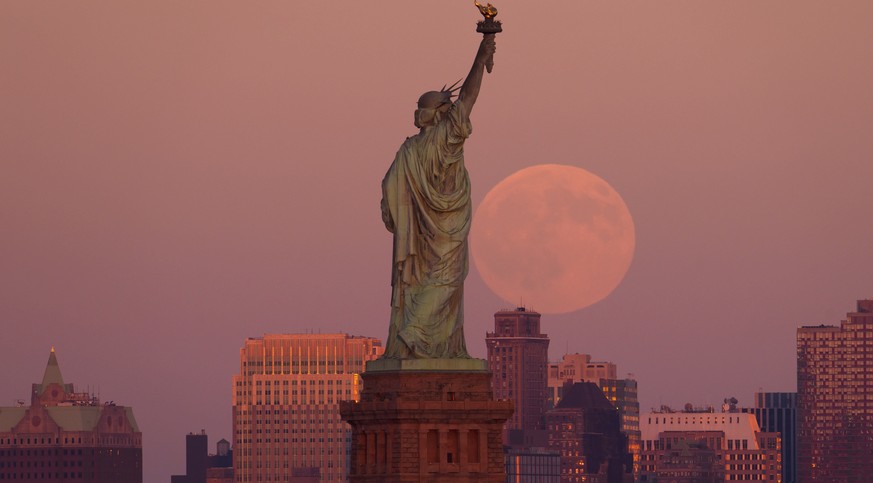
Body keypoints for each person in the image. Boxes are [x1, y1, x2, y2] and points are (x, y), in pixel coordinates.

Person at [380, 34, 496, 359]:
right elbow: (470, 97)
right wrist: (482, 53)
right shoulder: (447, 139)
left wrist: (402, 222)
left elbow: (388, 192)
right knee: (444, 285)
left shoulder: (408, 150)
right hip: (448, 230)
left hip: (418, 235)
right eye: (446, 108)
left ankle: (425, 344)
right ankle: (413, 337)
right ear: (439, 114)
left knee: (425, 286)